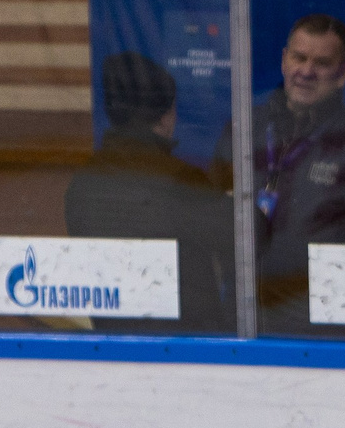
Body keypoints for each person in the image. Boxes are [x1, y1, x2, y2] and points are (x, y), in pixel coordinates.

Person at [213, 14, 345, 335]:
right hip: (241, 324)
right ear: (284, 60)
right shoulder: (243, 128)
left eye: (322, 63)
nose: (306, 72)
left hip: (324, 334)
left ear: (342, 75)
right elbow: (207, 221)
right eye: (299, 57)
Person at [64, 53, 234, 335]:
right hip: (185, 344)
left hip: (113, 336)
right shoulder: (177, 178)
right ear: (166, 115)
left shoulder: (83, 182)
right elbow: (242, 238)